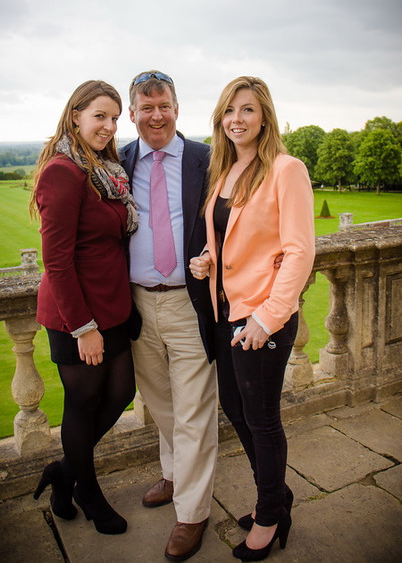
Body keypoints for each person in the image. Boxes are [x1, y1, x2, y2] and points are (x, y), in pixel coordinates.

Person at [190, 76, 315, 561]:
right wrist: (207, 258)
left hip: (262, 317)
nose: (236, 119)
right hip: (226, 312)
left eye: (246, 110)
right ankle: (277, 494)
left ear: (264, 116)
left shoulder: (286, 169)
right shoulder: (224, 171)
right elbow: (234, 238)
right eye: (228, 111)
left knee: (261, 419)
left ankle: (269, 514)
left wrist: (267, 318)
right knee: (235, 408)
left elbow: (299, 251)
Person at [31, 80, 139, 535]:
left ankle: (64, 470)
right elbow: (55, 260)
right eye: (100, 116)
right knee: (82, 402)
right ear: (75, 114)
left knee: (121, 393)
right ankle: (87, 493)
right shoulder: (62, 171)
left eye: (115, 118)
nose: (109, 126)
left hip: (112, 309)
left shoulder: (105, 168)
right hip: (77, 316)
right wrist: (83, 327)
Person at [119, 71, 217, 561]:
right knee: (161, 402)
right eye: (146, 106)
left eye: (164, 105)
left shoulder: (206, 158)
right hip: (137, 302)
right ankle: (176, 474)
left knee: (195, 409)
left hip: (188, 302)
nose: (156, 115)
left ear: (177, 108)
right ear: (132, 112)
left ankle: (193, 512)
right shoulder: (117, 160)